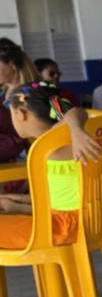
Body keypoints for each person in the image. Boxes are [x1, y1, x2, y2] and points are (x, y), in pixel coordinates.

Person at [0, 82, 83, 248]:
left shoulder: (48, 147)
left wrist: (21, 209)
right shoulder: (68, 139)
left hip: (60, 228)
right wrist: (20, 201)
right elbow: (64, 198)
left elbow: (75, 112)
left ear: (21, 114)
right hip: (83, 220)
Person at [0, 39, 39, 163]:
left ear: (12, 65)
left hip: (27, 160)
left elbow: (66, 116)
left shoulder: (37, 91)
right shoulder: (2, 93)